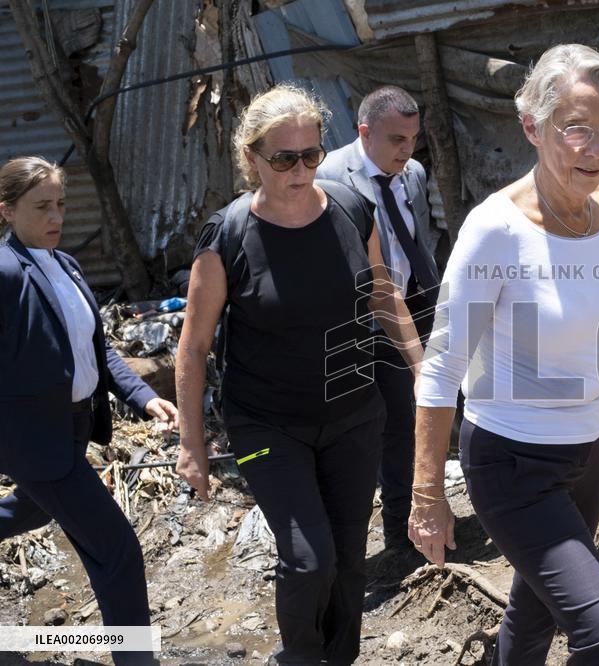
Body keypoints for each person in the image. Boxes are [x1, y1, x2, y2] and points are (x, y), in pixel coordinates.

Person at [408, 44, 599, 665]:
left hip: (589, 449)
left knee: (535, 607)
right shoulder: (496, 229)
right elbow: (442, 367)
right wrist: (427, 494)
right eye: (577, 129)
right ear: (533, 128)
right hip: (512, 462)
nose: (598, 148)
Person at [175, 83, 422, 665]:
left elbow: (382, 294)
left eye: (311, 155)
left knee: (349, 560)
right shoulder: (228, 234)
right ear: (252, 157)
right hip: (267, 426)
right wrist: (191, 445)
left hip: (354, 416)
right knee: (309, 560)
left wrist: (421, 366)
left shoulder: (351, 209)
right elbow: (193, 346)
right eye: (284, 158)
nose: (301, 170)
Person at [0, 156, 178, 665]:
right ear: (7, 210)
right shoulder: (6, 271)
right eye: (42, 207)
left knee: (33, 508)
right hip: (35, 441)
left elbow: (97, 351)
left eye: (60, 204)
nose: (56, 217)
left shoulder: (65, 264)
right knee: (117, 550)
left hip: (73, 430)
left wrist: (143, 396)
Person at [316, 85, 439, 557]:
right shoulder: (330, 177)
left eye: (413, 139)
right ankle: (397, 534)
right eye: (397, 140)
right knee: (393, 424)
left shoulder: (414, 174)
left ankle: (423, 515)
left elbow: (418, 240)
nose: (407, 151)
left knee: (426, 412)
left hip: (418, 307)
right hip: (367, 322)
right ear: (364, 132)